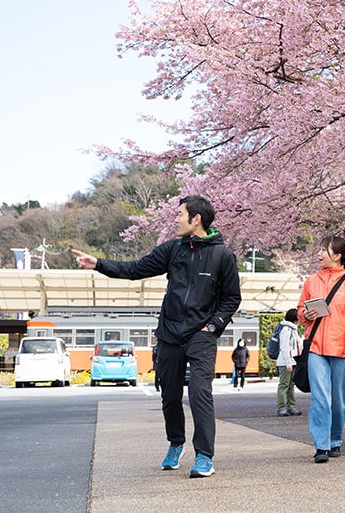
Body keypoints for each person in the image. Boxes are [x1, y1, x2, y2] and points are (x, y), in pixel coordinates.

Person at [72, 195, 241, 478]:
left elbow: (231, 298)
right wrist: (98, 264)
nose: (175, 219)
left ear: (195, 219)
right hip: (170, 332)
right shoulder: (173, 249)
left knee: (201, 393)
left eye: (180, 214)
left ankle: (204, 456)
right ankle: (176, 443)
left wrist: (212, 327)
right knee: (170, 396)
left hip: (201, 335)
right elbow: (136, 269)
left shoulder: (222, 255)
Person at [297, 236, 345, 463]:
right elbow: (300, 311)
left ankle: (335, 439)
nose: (318, 254)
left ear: (338, 256)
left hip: (342, 347)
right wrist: (304, 315)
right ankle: (321, 446)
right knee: (320, 399)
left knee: (339, 398)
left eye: (323, 250)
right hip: (315, 346)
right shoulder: (311, 281)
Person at [276, 308, 303, 417]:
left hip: (293, 361)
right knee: (284, 385)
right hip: (285, 362)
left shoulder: (293, 329)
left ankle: (291, 407)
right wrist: (288, 363)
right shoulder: (286, 330)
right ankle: (281, 408)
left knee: (291, 385)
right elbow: (284, 347)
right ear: (295, 318)